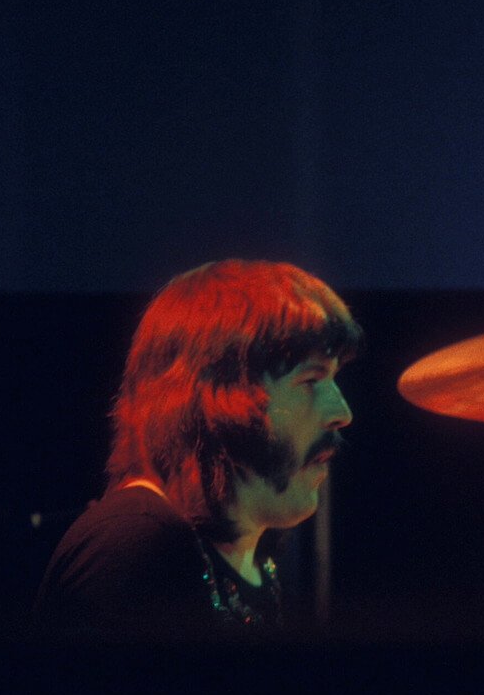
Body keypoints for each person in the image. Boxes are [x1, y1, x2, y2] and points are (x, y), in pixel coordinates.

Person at [33, 259, 361, 641]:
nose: (342, 413)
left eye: (334, 378)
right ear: (218, 397)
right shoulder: (131, 547)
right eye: (310, 379)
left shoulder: (251, 556)